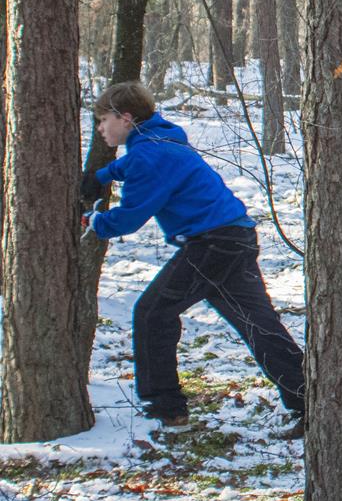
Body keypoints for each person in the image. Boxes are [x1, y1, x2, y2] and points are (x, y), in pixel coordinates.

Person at [82, 82, 305, 437]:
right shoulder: (163, 140)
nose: (100, 128)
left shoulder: (149, 155)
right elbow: (136, 167)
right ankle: (309, 401)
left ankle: (166, 410)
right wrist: (101, 176)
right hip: (235, 237)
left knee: (153, 314)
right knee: (259, 325)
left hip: (211, 244)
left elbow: (127, 220)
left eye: (103, 120)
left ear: (125, 118)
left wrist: (94, 220)